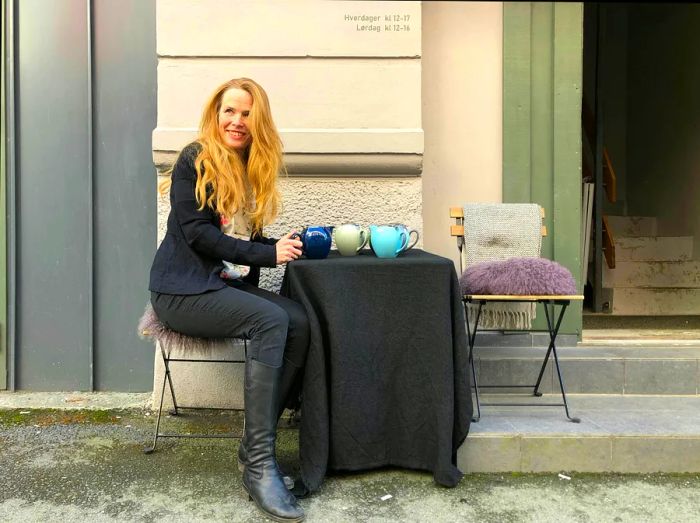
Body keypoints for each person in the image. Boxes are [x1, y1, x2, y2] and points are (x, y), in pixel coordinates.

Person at [148, 78, 309, 522]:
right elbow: (201, 235)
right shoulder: (194, 160)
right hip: (181, 291)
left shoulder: (251, 168)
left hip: (220, 287)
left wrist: (289, 246)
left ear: (259, 123)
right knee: (271, 321)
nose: (237, 122)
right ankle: (259, 466)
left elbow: (242, 240)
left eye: (246, 114)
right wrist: (266, 254)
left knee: (298, 321)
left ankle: (250, 450)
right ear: (215, 115)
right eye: (229, 112)